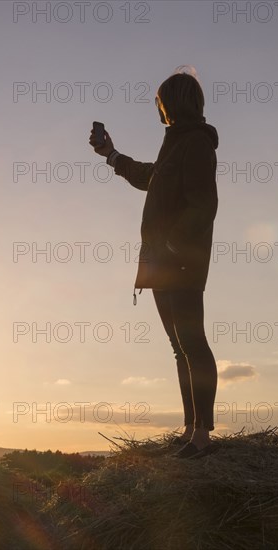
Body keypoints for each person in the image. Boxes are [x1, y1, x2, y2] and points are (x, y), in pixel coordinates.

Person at [89, 70, 220, 459]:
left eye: (160, 99)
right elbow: (151, 177)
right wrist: (111, 155)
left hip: (180, 261)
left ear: (174, 102)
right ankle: (189, 427)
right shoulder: (174, 143)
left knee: (193, 344)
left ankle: (203, 434)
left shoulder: (196, 143)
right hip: (160, 262)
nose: (157, 106)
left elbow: (205, 204)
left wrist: (173, 242)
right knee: (179, 348)